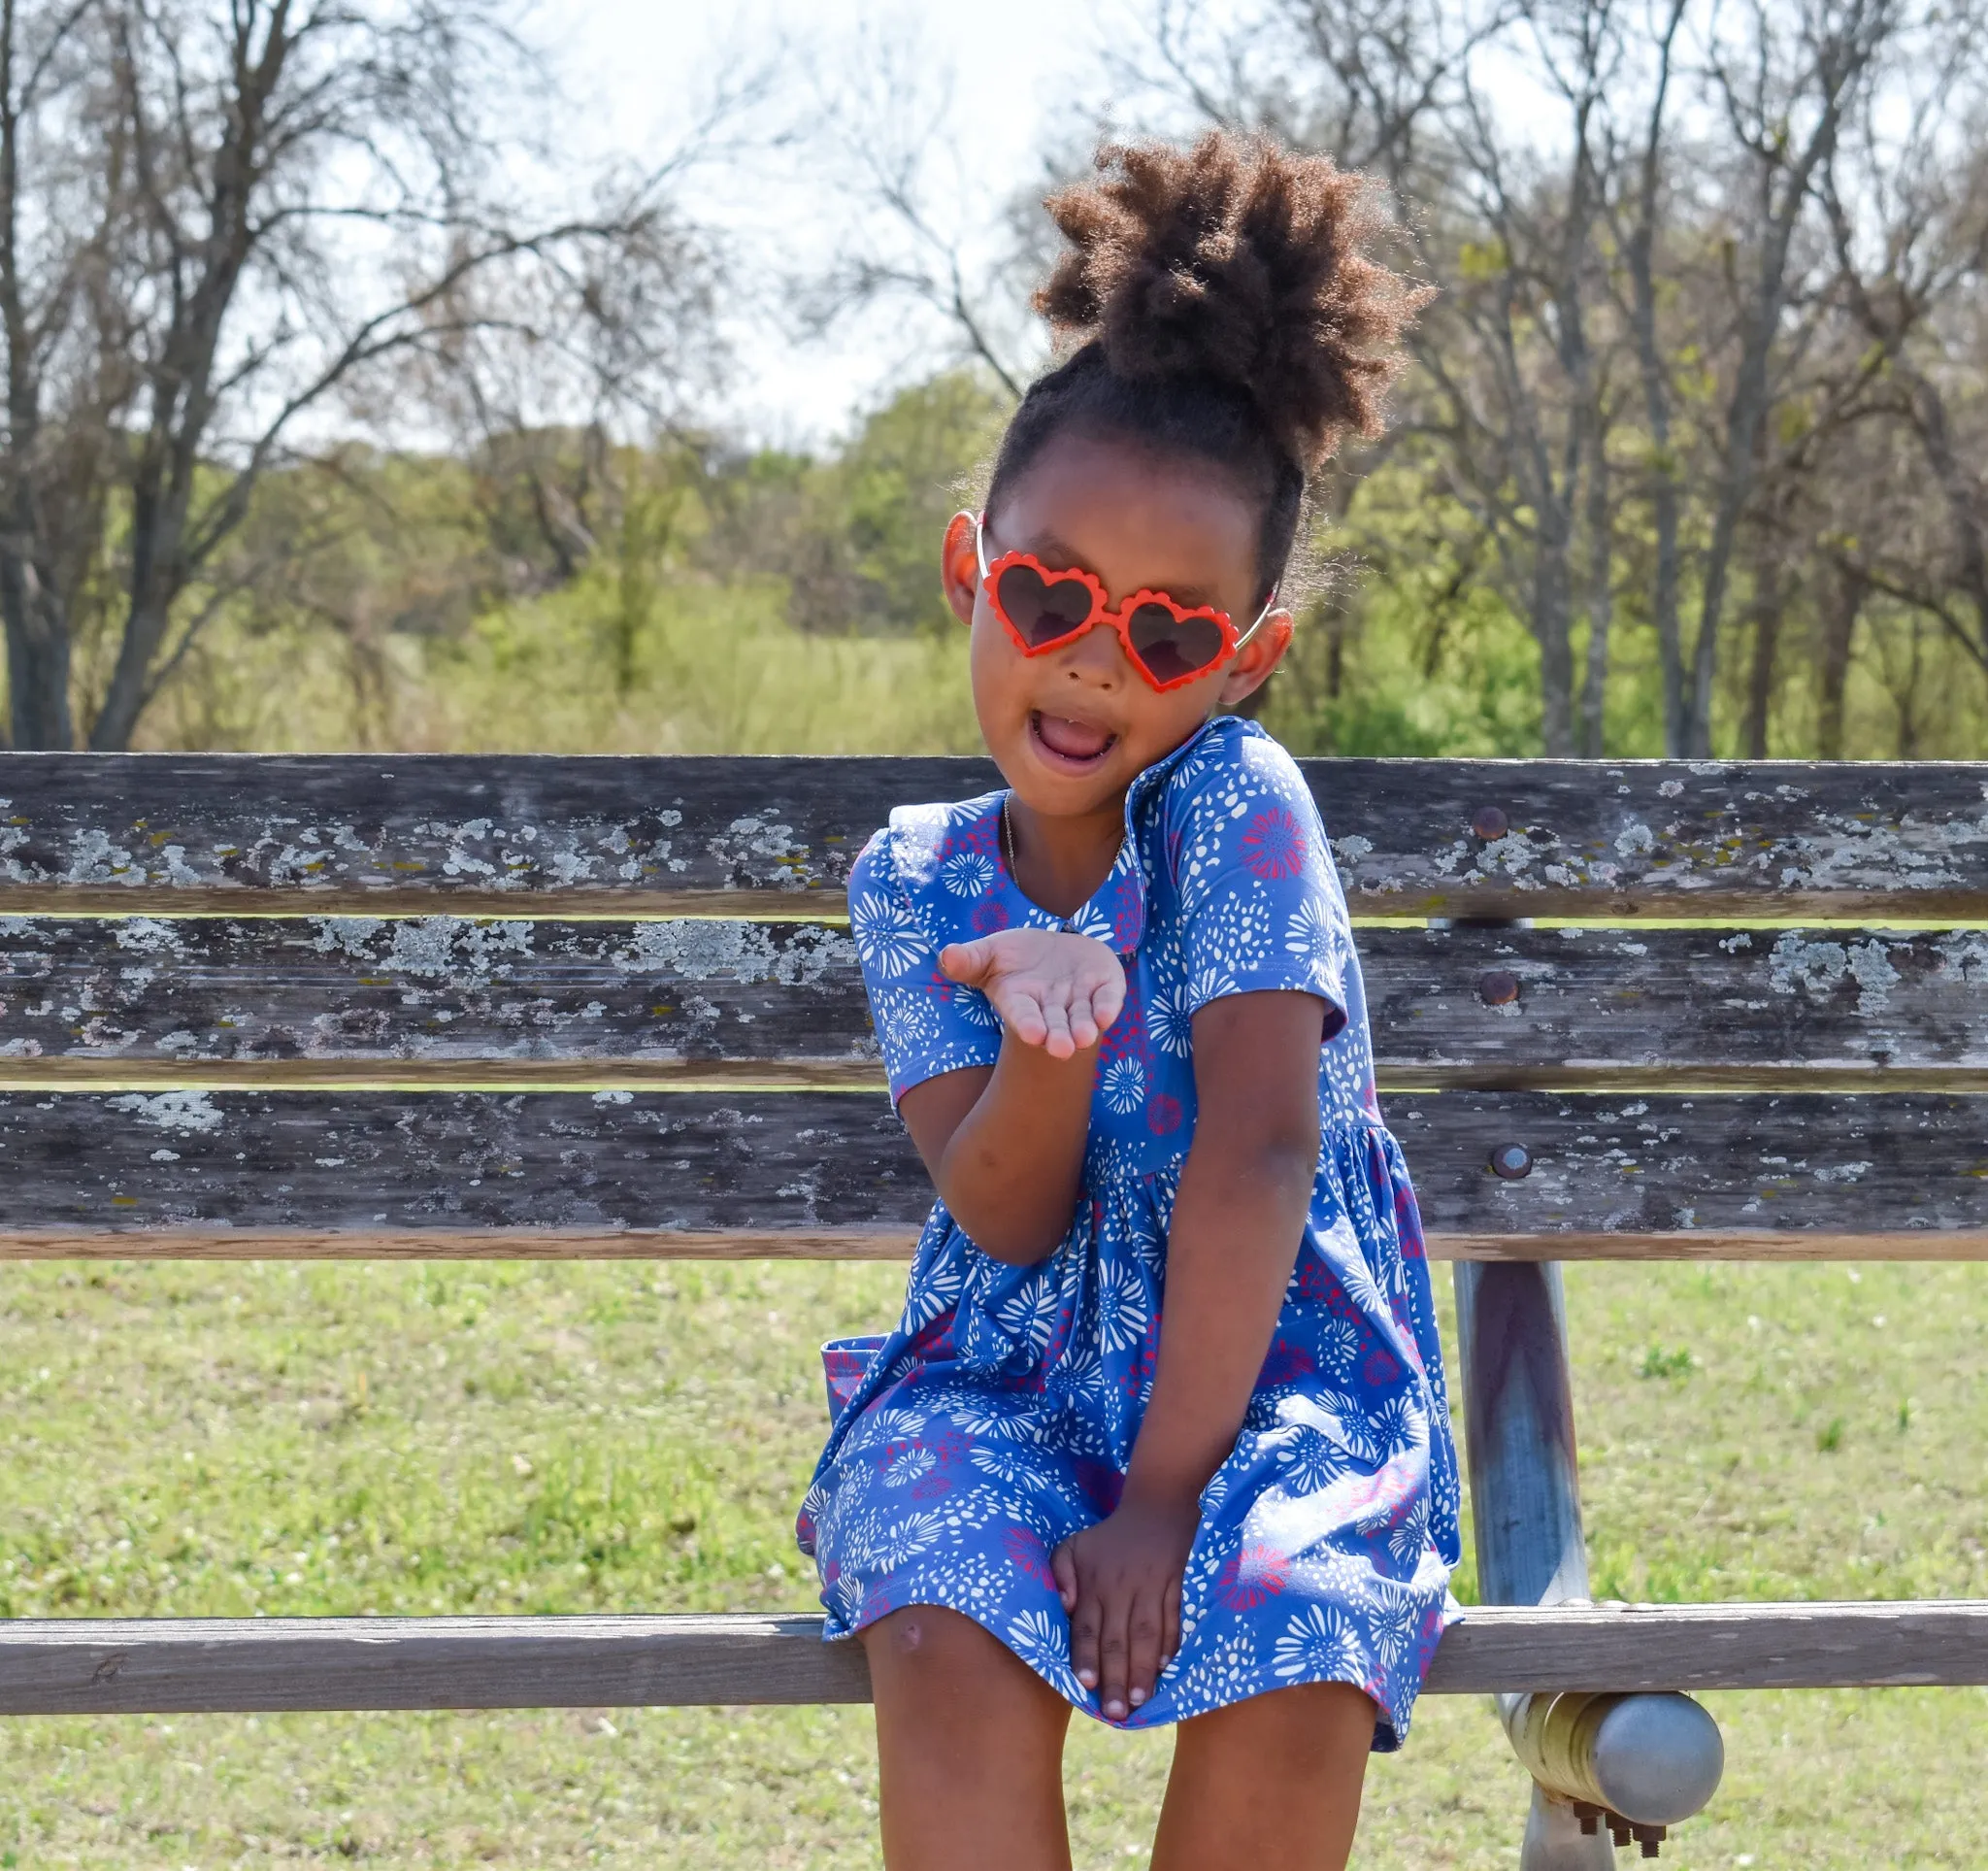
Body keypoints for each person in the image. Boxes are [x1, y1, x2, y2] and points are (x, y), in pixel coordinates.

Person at [795, 129, 1460, 1871]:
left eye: (1168, 634)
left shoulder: (1241, 811)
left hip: (1274, 1375)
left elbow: (1255, 1155)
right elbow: (1003, 1222)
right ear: (972, 571)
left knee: (1292, 1643)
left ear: (1244, 662)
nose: (1095, 657)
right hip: (1005, 1372)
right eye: (1050, 593)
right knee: (934, 1626)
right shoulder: (919, 885)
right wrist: (1043, 1041)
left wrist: (1168, 1493)